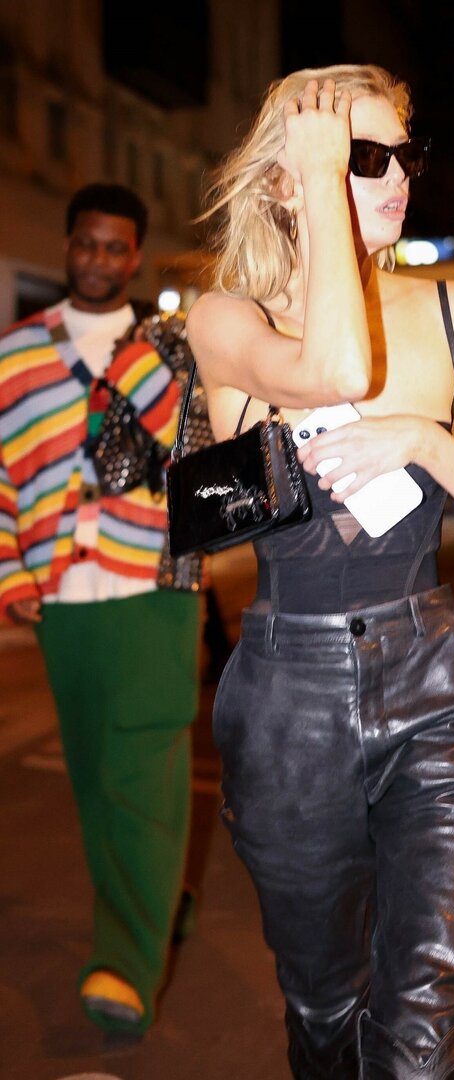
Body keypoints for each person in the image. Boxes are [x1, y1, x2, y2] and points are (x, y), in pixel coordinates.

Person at [185, 64, 454, 1077]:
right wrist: (317, 183)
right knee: (326, 1011)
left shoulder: (451, 313)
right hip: (288, 706)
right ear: (288, 177)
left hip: (437, 686)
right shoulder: (229, 322)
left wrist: (429, 444)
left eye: (405, 154)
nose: (398, 178)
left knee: (431, 1028)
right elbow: (338, 373)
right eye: (363, 156)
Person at [0, 183, 202, 1034]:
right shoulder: (15, 355)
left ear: (136, 256)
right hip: (61, 596)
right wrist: (11, 575)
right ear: (68, 244)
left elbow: (195, 450)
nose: (98, 259)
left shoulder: (172, 350)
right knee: (94, 776)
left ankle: (125, 965)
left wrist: (141, 363)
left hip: (153, 587)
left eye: (116, 247)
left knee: (140, 773)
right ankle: (157, 893)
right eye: (87, 242)